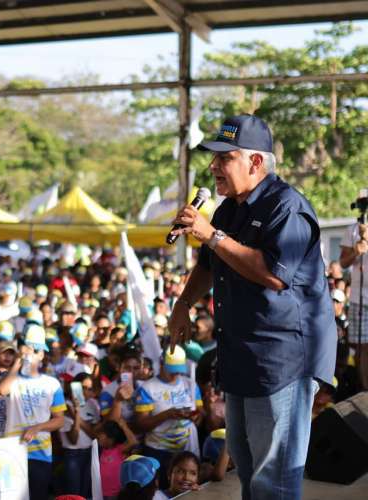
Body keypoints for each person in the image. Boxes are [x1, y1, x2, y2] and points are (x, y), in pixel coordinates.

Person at [168, 114, 336, 500]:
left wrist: (210, 234)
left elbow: (275, 275)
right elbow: (210, 265)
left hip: (284, 360)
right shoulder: (229, 208)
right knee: (248, 469)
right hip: (243, 355)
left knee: (272, 480)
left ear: (255, 163)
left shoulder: (287, 208)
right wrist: (182, 305)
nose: (213, 166)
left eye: (224, 158)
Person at [0, 325, 66, 500]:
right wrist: (17, 362)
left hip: (40, 453)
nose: (31, 354)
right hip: (13, 451)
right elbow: (1, 390)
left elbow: (60, 420)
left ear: (42, 354)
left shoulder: (52, 384)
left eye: (36, 350)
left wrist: (37, 428)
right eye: (27, 348)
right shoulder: (13, 379)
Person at [133, 346, 202, 488]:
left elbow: (200, 412)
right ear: (161, 364)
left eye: (179, 369)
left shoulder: (190, 384)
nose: (176, 373)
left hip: (186, 450)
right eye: (172, 369)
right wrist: (167, 414)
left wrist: (195, 417)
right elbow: (141, 425)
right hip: (158, 451)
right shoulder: (148, 388)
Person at [60, 372, 100, 499]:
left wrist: (76, 417)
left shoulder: (93, 404)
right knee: (74, 494)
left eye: (90, 389)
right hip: (72, 455)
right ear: (75, 386)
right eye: (83, 387)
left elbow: (95, 434)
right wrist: (76, 412)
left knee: (86, 492)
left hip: (90, 452)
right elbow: (73, 439)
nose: (85, 392)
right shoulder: (64, 406)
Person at [339, 218, 368, 389]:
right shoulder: (353, 229)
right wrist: (356, 250)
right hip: (359, 299)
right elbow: (343, 262)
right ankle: (365, 392)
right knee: (362, 347)